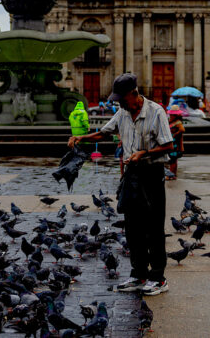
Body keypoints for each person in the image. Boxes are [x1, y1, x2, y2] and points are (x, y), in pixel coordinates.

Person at [68, 73, 173, 296]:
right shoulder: (123, 113)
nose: (120, 103)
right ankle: (138, 274)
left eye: (122, 99)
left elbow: (168, 146)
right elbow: (104, 133)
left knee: (153, 228)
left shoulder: (156, 112)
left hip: (152, 174)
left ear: (134, 94)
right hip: (131, 175)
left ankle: (158, 278)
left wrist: (143, 153)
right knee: (133, 227)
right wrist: (81, 138)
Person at [167, 106, 185, 179]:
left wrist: (174, 135)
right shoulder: (172, 121)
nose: (170, 116)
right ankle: (173, 175)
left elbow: (182, 130)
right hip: (172, 142)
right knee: (173, 160)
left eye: (172, 115)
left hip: (175, 144)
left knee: (172, 160)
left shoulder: (178, 122)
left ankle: (171, 175)